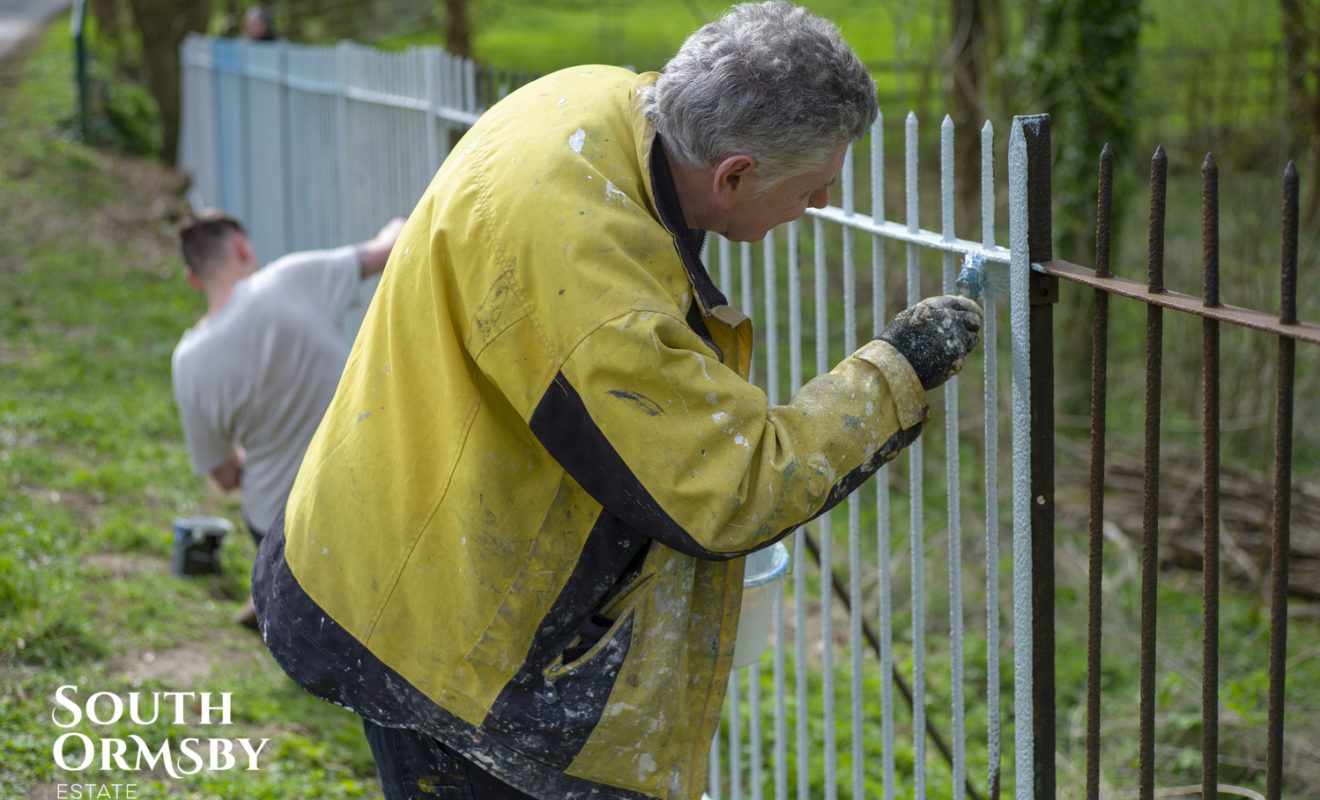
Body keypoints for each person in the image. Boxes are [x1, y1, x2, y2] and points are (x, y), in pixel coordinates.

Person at [253, 2, 982, 798]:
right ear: (734, 174)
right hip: (426, 621)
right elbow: (733, 487)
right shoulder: (601, 304)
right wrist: (898, 369)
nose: (817, 207)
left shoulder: (591, 101)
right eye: (814, 190)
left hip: (392, 519)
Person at [171, 210, 403, 625]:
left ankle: (275, 596)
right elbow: (385, 252)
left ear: (193, 279)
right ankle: (284, 602)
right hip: (362, 496)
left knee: (293, 569)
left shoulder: (187, 361)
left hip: (276, 528)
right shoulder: (286, 280)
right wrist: (399, 223)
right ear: (242, 247)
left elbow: (224, 477)